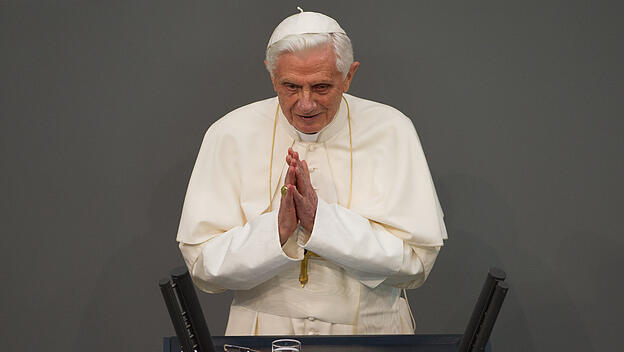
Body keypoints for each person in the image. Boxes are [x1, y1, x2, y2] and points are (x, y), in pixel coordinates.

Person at [176, 9, 447, 336]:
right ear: (271, 75)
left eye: (321, 87)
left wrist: (323, 223)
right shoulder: (228, 133)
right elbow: (204, 269)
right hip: (263, 331)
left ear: (348, 76)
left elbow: (415, 266)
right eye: (290, 86)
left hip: (372, 331)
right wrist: (277, 230)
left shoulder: (392, 130)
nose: (306, 104)